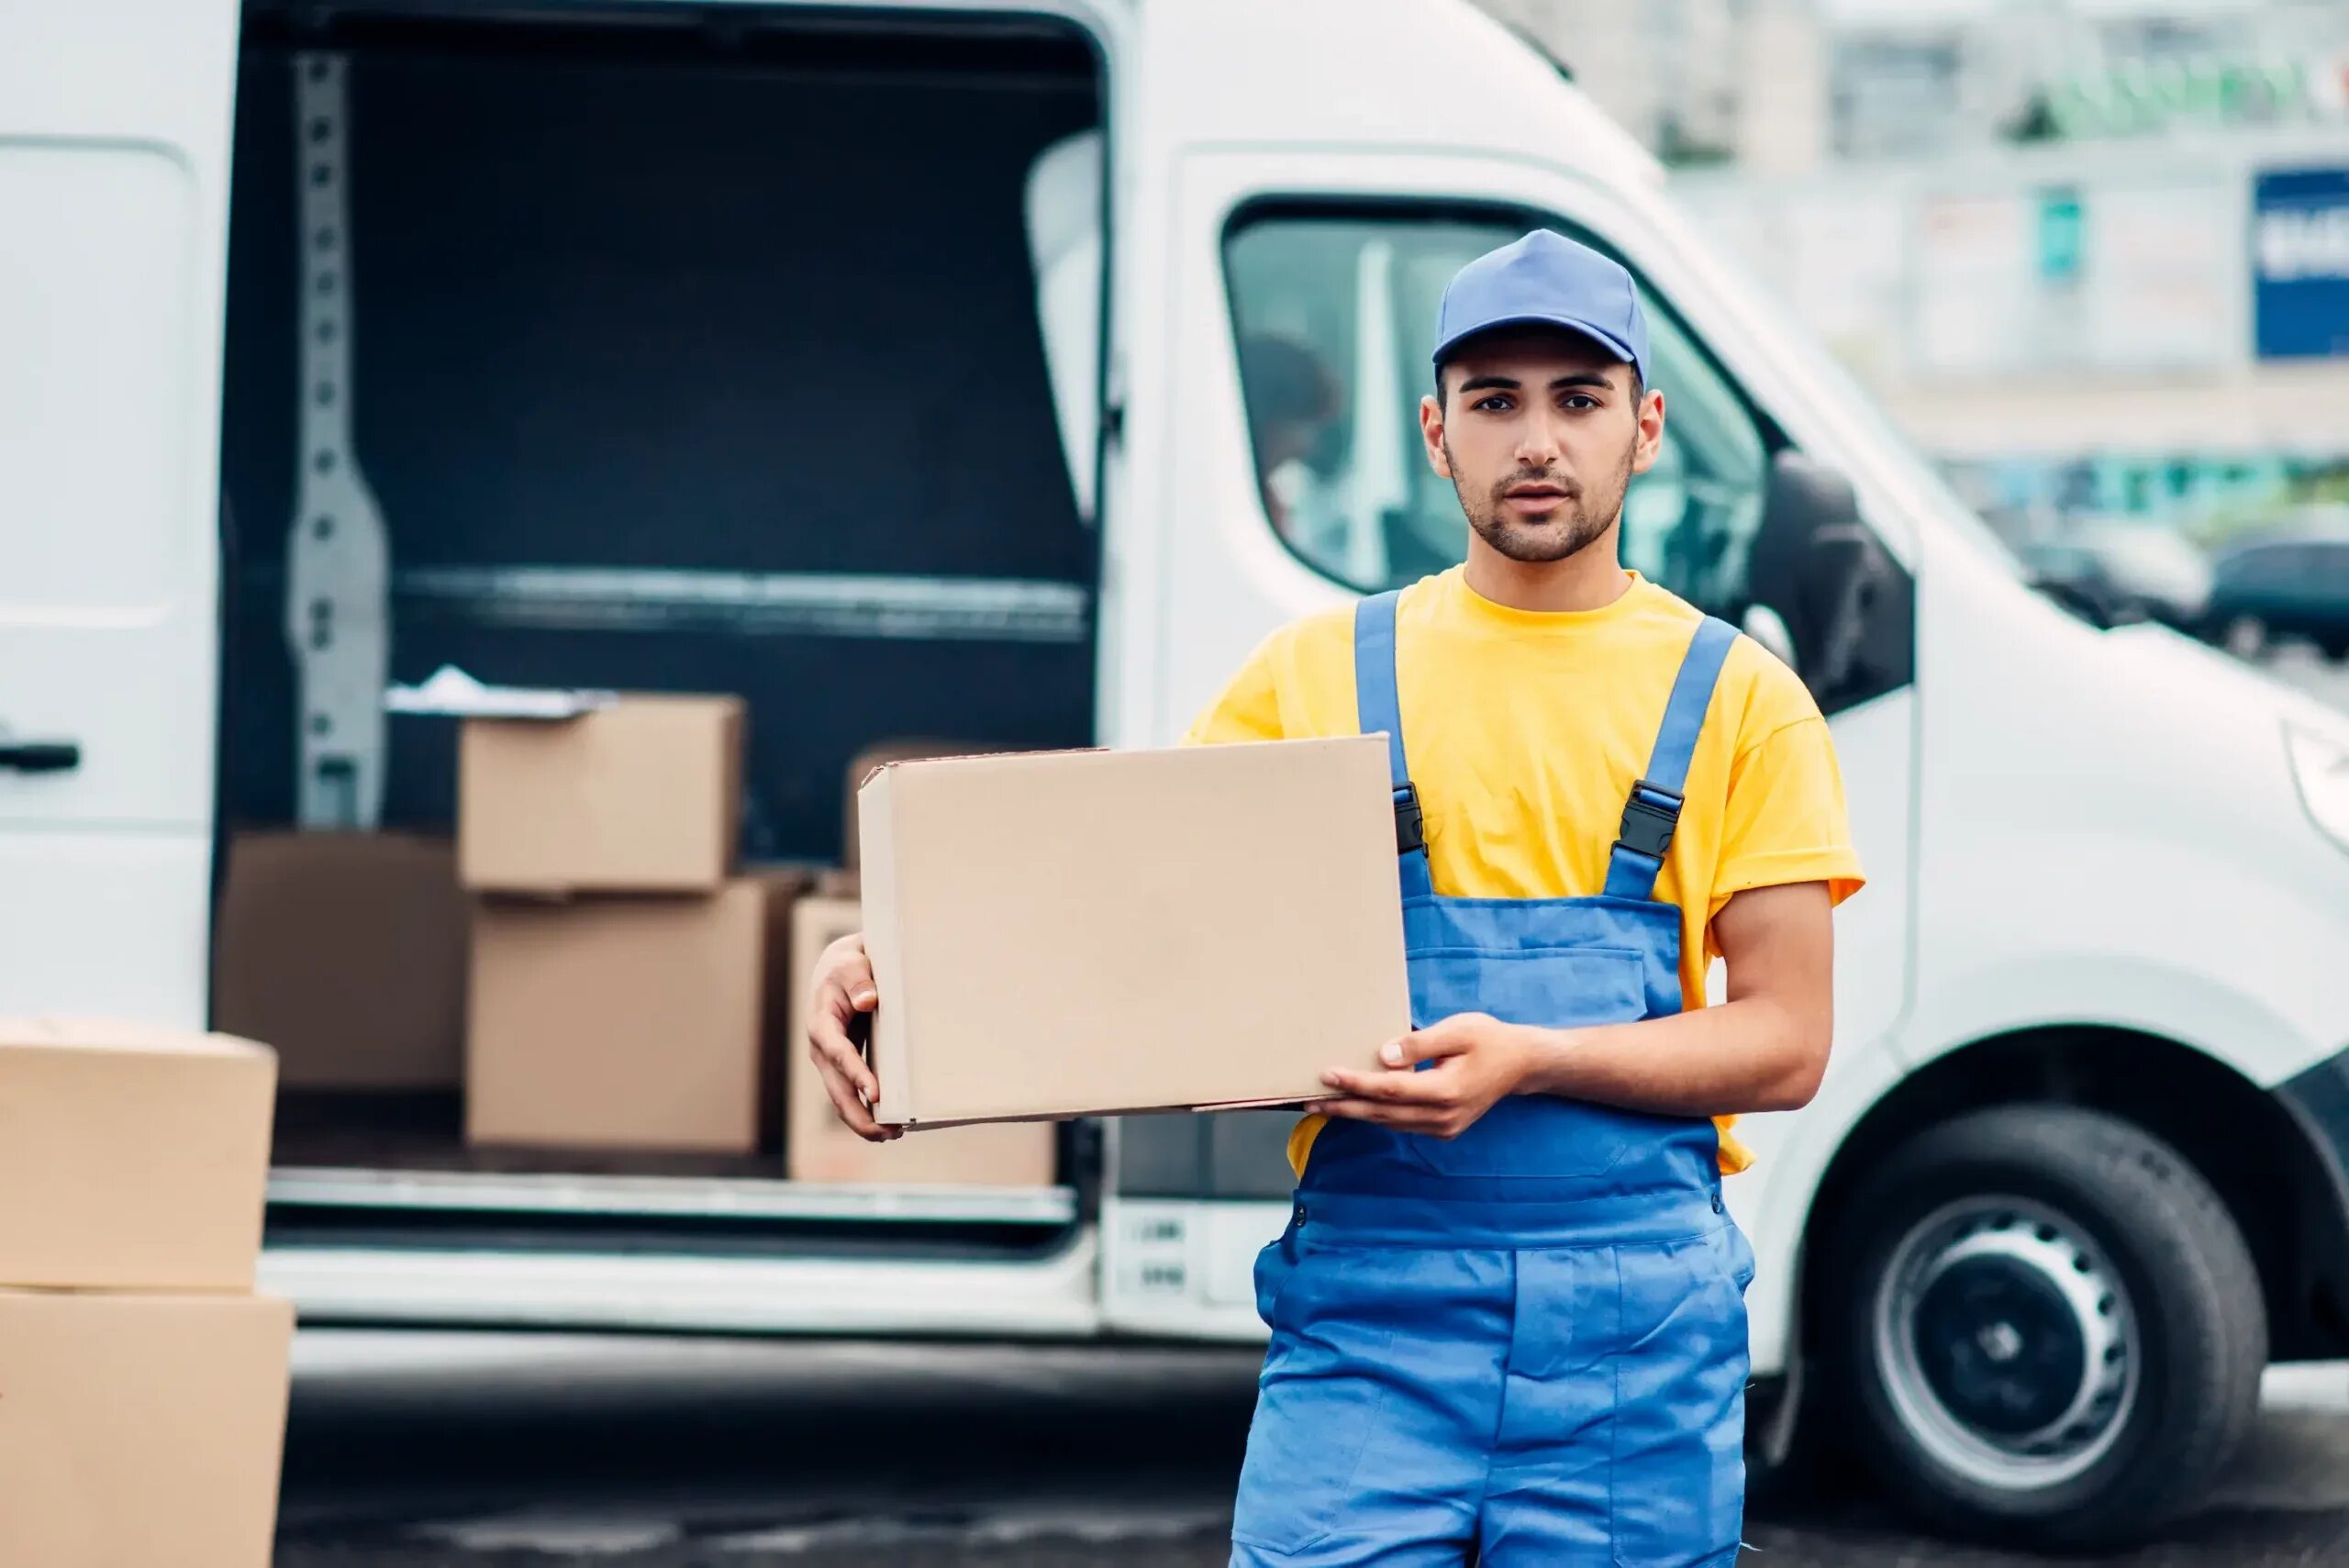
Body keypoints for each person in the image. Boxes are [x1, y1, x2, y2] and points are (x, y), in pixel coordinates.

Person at [805, 228, 1865, 1566]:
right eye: (1494, 402)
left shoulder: (1743, 702)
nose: (1536, 440)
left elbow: (1787, 1036)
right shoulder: (1313, 677)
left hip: (1633, 1344)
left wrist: (1536, 1058)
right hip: (1375, 1324)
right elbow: (1128, 929)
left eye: (1578, 399)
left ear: (1645, 427)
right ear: (1436, 432)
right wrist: (901, 964)